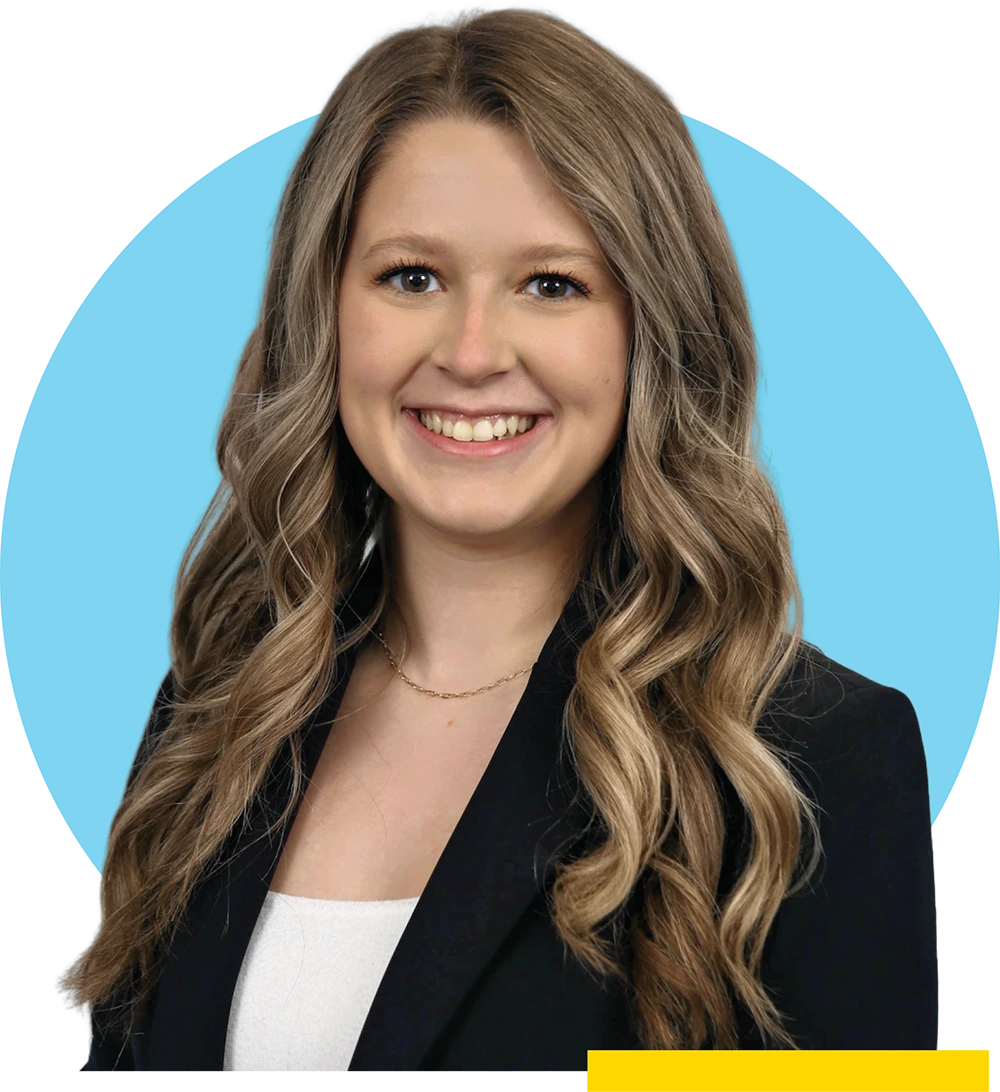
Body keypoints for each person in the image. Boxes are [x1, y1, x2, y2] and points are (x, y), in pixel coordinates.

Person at [64, 8, 938, 1087]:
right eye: (412, 277)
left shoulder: (801, 763)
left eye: (552, 284)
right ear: (325, 311)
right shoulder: (215, 715)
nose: (472, 353)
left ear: (649, 331)